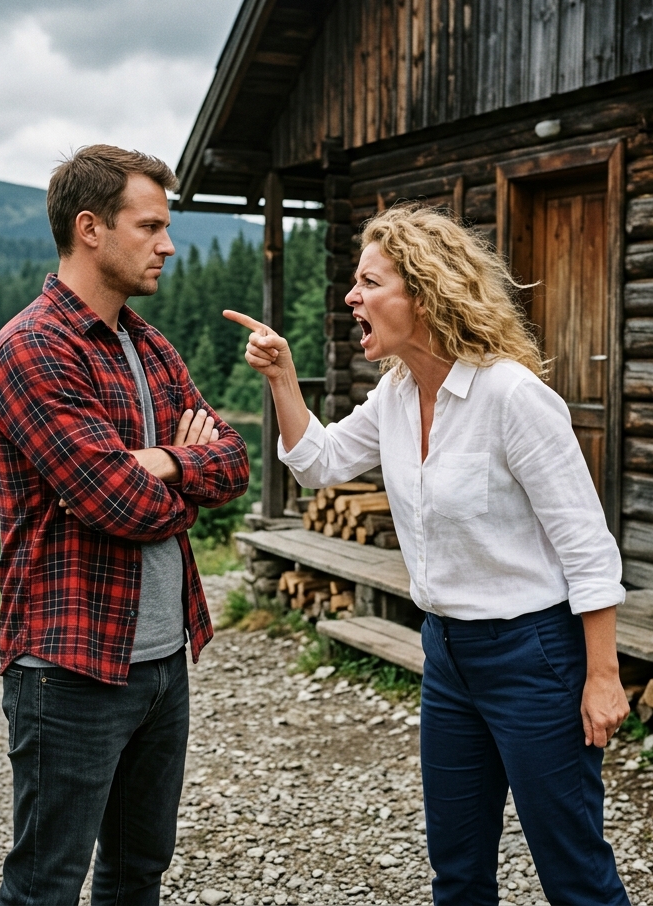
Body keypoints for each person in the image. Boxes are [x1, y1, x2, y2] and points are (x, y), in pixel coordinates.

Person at [225, 203, 630, 906]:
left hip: (534, 658)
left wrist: (602, 676)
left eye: (369, 282)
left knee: (574, 873)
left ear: (424, 292)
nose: (352, 297)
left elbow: (588, 547)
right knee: (458, 869)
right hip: (445, 655)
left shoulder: (512, 396)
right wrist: (283, 378)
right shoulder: (397, 392)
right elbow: (319, 463)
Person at [0, 144, 250, 906]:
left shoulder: (148, 343)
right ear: (91, 227)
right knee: (45, 884)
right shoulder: (33, 348)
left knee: (139, 874)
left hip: (163, 662)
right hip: (69, 671)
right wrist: (161, 473)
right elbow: (114, 502)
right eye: (151, 225)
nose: (168, 244)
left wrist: (160, 463)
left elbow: (230, 460)